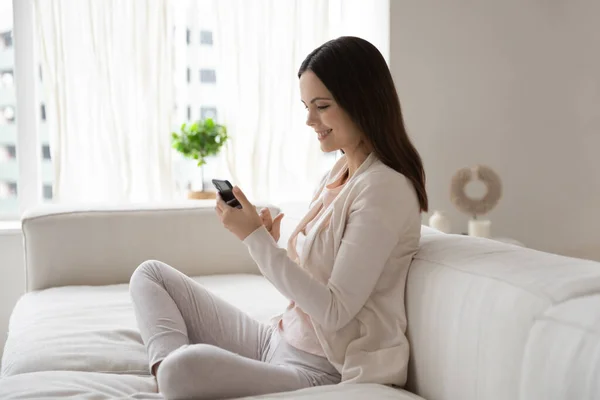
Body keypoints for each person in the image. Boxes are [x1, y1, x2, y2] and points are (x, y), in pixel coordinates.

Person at [129, 36, 428, 400]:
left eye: (321, 105)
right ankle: (170, 384)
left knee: (182, 367)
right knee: (150, 275)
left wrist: (255, 239)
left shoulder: (384, 189)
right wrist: (269, 243)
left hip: (317, 369)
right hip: (276, 338)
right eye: (306, 105)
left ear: (361, 102)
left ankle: (174, 380)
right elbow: (312, 285)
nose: (309, 120)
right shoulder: (339, 173)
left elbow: (334, 312)